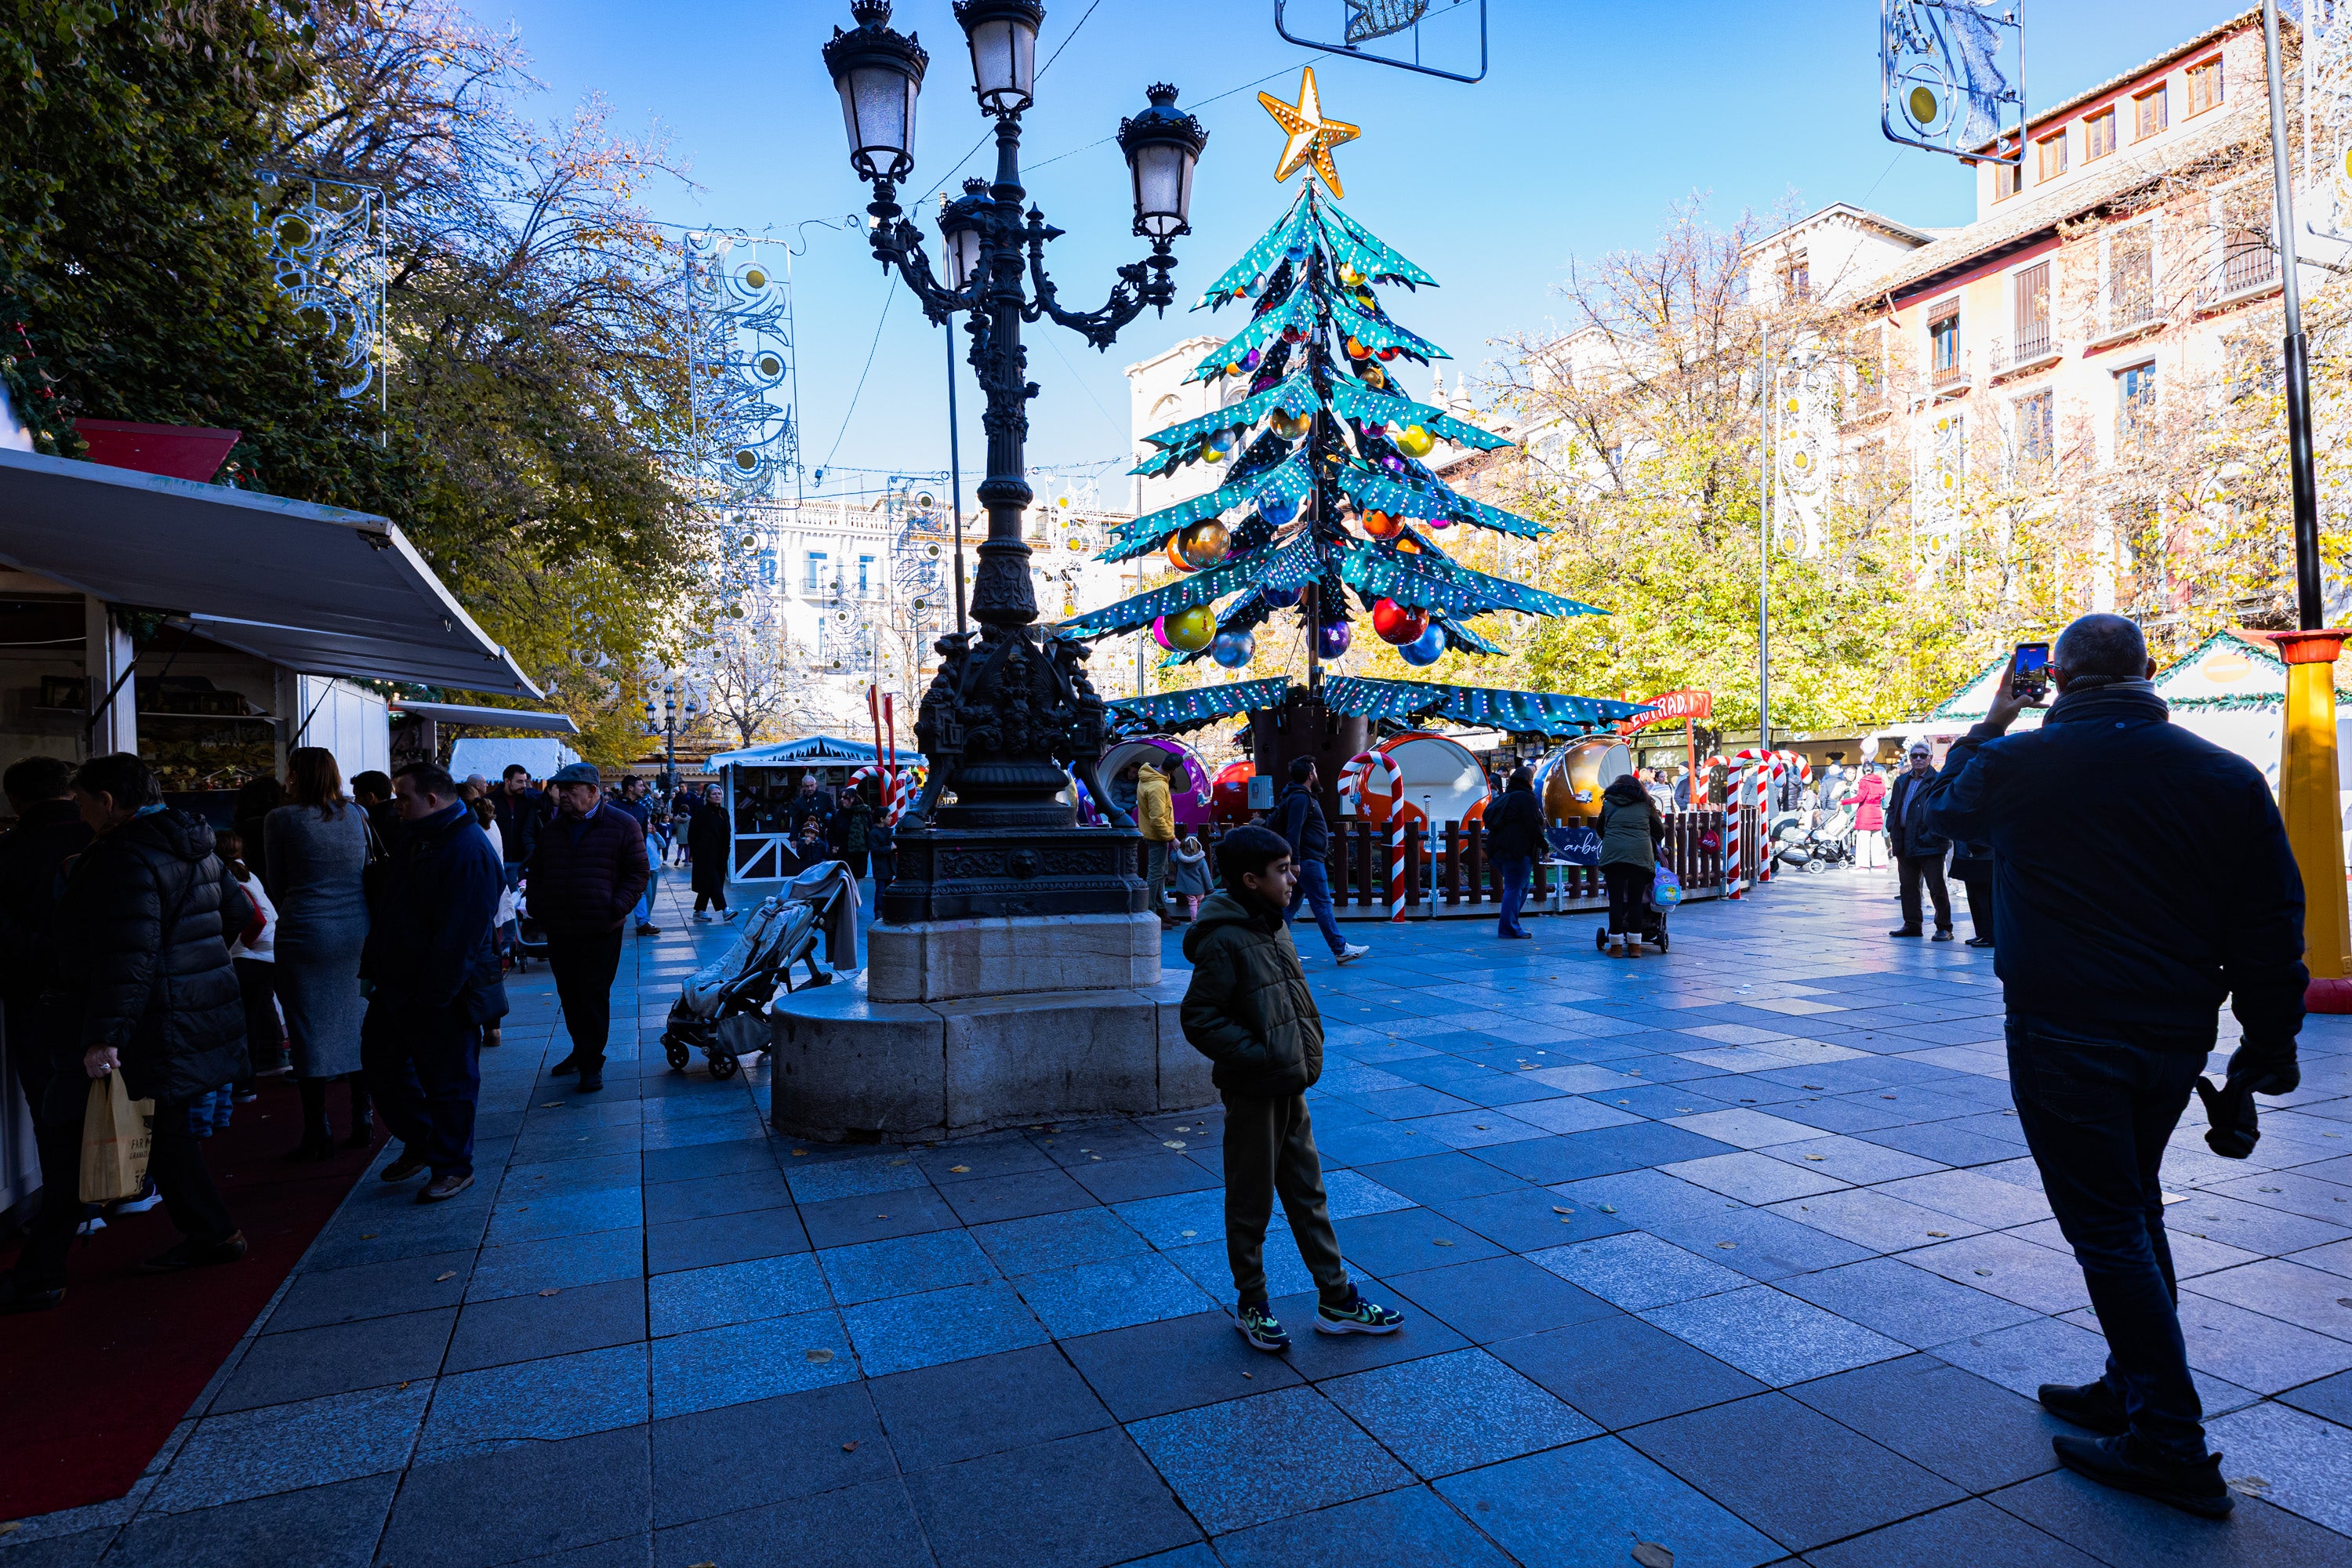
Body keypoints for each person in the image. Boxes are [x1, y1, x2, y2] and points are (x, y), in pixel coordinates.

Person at [1922, 615, 2306, 1519]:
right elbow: (2268, 919)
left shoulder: (2018, 766)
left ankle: (2170, 1437)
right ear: (2146, 671)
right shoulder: (2223, 773)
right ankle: (2129, 1379)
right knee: (2132, 1204)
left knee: (2106, 1223)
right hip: (2174, 1031)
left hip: (2064, 1028)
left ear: (2053, 677)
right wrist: (2268, 1044)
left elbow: (1938, 813)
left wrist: (1991, 721)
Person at [1, 753, 253, 1311]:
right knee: (164, 1135)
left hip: (135, 1021)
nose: (80, 811)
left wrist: (104, 1036)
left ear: (108, 803)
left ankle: (40, 1275)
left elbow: (127, 956)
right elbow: (235, 914)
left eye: (84, 801)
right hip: (177, 1015)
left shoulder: (124, 856)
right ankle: (214, 1233)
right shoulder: (194, 843)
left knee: (70, 1137)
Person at [1179, 823, 1405, 1353]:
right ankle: (1252, 1304)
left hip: (1290, 1084)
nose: (1293, 876)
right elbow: (1200, 1017)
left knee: (1308, 1192)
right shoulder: (1224, 938)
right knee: (1251, 1199)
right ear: (1251, 880)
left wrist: (1294, 1055)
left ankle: (1336, 1300)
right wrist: (1260, 1056)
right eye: (1282, 871)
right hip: (1256, 1088)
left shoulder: (1273, 923)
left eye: (1290, 866)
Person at [364, 760, 506, 1202]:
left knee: (449, 1079)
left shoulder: (467, 847)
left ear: (431, 799)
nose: (396, 804)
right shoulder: (417, 837)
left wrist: (435, 994)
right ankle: (425, 1141)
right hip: (396, 981)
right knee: (382, 1066)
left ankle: (452, 1165)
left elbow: (461, 936)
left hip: (442, 989)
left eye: (403, 797)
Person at [266, 746, 372, 1158]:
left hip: (305, 930)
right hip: (356, 930)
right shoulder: (358, 815)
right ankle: (362, 1116)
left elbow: (278, 879)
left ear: (295, 774)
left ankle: (318, 1128)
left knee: (307, 1027)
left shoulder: (282, 819)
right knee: (357, 1022)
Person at [528, 762, 649, 1093]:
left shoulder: (622, 824)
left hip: (600, 929)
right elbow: (537, 871)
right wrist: (538, 906)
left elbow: (638, 872)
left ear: (593, 792)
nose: (562, 795)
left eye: (571, 789)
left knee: (593, 995)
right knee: (569, 994)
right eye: (559, 789)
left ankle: (591, 1062)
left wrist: (615, 906)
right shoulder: (553, 829)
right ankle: (581, 1050)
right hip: (561, 927)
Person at [1272, 758, 1368, 966]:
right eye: (1314, 771)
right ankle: (1340, 948)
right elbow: (1294, 831)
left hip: (1305, 860)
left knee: (1289, 908)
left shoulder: (1298, 796)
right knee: (1322, 904)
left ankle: (1277, 950)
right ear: (1310, 775)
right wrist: (1295, 861)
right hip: (1308, 861)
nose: (1316, 774)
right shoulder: (1301, 799)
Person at [1886, 740, 1953, 940]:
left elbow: (1945, 810)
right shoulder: (1902, 781)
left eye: (1922, 756)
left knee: (1936, 886)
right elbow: (1893, 807)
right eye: (1914, 756)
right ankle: (1912, 924)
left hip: (1929, 841)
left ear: (1930, 758)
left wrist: (1934, 833)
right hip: (1905, 840)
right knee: (1908, 886)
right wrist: (1892, 827)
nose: (1918, 759)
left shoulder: (1938, 780)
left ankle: (1944, 927)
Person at [1597, 773, 1664, 956]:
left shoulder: (1608, 803)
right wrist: (1646, 841)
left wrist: (1613, 840)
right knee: (1635, 901)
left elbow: (1600, 828)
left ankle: (1617, 946)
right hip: (1639, 856)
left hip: (1614, 857)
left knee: (1616, 901)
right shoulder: (1646, 804)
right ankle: (1635, 946)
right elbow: (1659, 830)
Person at [1485, 764, 1543, 941]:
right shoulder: (1526, 798)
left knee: (1521, 886)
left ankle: (1511, 923)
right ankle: (1509, 927)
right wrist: (1545, 847)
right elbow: (1533, 826)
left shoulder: (1505, 797)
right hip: (1517, 850)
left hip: (1498, 849)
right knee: (1514, 887)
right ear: (1529, 781)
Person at [613, 775, 662, 936]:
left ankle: (643, 922)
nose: (644, 789)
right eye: (641, 786)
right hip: (615, 857)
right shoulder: (613, 807)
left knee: (639, 889)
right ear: (630, 788)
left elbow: (642, 835)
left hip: (634, 857)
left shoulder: (642, 809)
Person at [1136, 756, 1177, 925]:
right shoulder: (1158, 786)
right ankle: (1151, 911)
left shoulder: (1149, 776)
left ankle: (1160, 910)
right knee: (1155, 875)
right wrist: (1172, 838)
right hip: (1158, 836)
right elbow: (1157, 819)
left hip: (1151, 834)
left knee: (1159, 874)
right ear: (1174, 770)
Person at [687, 782, 733, 921]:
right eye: (714, 794)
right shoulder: (701, 812)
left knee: (711, 882)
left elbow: (727, 832)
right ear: (708, 796)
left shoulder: (724, 812)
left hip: (721, 853)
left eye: (719, 794)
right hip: (705, 855)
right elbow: (692, 834)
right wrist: (695, 853)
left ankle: (699, 911)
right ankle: (725, 910)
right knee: (714, 882)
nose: (717, 796)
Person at [1846, 763, 1888, 871]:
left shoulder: (1864, 782)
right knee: (1878, 839)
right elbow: (1883, 795)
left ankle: (1863, 865)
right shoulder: (1880, 782)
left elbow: (1859, 798)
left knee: (1863, 840)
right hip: (1877, 812)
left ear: (1863, 771)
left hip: (1865, 813)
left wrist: (1843, 802)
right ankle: (1880, 864)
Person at [834, 783, 873, 880]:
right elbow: (832, 831)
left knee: (859, 876)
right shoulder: (839, 814)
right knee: (844, 877)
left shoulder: (864, 812)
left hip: (860, 852)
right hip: (843, 851)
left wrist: (869, 846)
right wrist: (834, 845)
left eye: (845, 797)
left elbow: (870, 829)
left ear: (852, 799)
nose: (842, 799)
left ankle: (856, 895)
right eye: (841, 797)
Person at [1170, 834, 1213, 921]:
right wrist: (1210, 887)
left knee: (1192, 903)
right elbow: (1206, 874)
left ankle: (1194, 920)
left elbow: (1173, 858)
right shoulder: (1201, 860)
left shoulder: (1180, 859)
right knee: (1201, 902)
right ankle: (1201, 919)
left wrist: (1174, 851)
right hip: (1199, 887)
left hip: (1187, 887)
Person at [867, 802, 897, 895]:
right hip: (880, 867)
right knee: (881, 890)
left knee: (887, 889)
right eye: (889, 816)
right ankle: (879, 909)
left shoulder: (889, 831)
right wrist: (890, 848)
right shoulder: (874, 833)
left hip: (888, 866)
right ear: (882, 819)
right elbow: (875, 850)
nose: (891, 818)